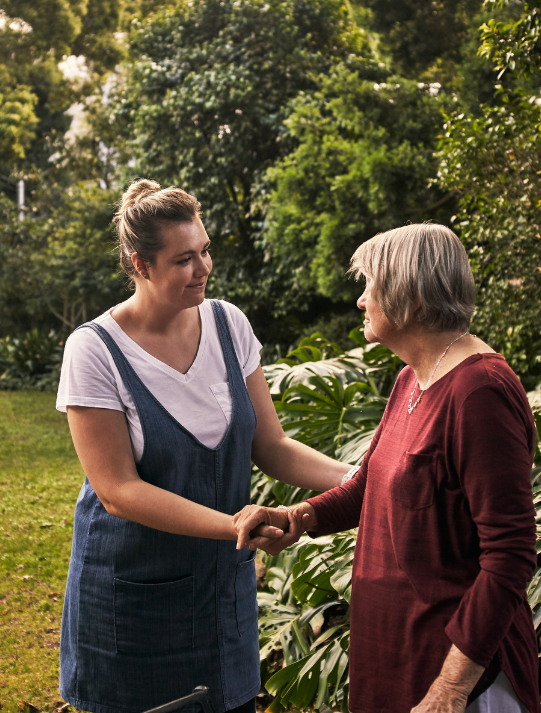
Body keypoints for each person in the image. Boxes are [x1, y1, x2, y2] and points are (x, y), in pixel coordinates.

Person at [56, 180, 354, 713]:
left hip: (222, 598)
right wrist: (235, 525)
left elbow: (273, 444)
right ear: (140, 264)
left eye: (206, 251)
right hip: (136, 604)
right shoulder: (95, 350)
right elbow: (118, 491)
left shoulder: (227, 324)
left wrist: (360, 476)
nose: (203, 269)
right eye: (184, 260)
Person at [236, 223, 541, 713]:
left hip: (459, 678)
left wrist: (452, 687)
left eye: (369, 286)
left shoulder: (480, 392)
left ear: (412, 299)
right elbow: (370, 484)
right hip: (399, 655)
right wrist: (298, 519)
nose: (360, 302)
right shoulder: (411, 379)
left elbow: (510, 555)